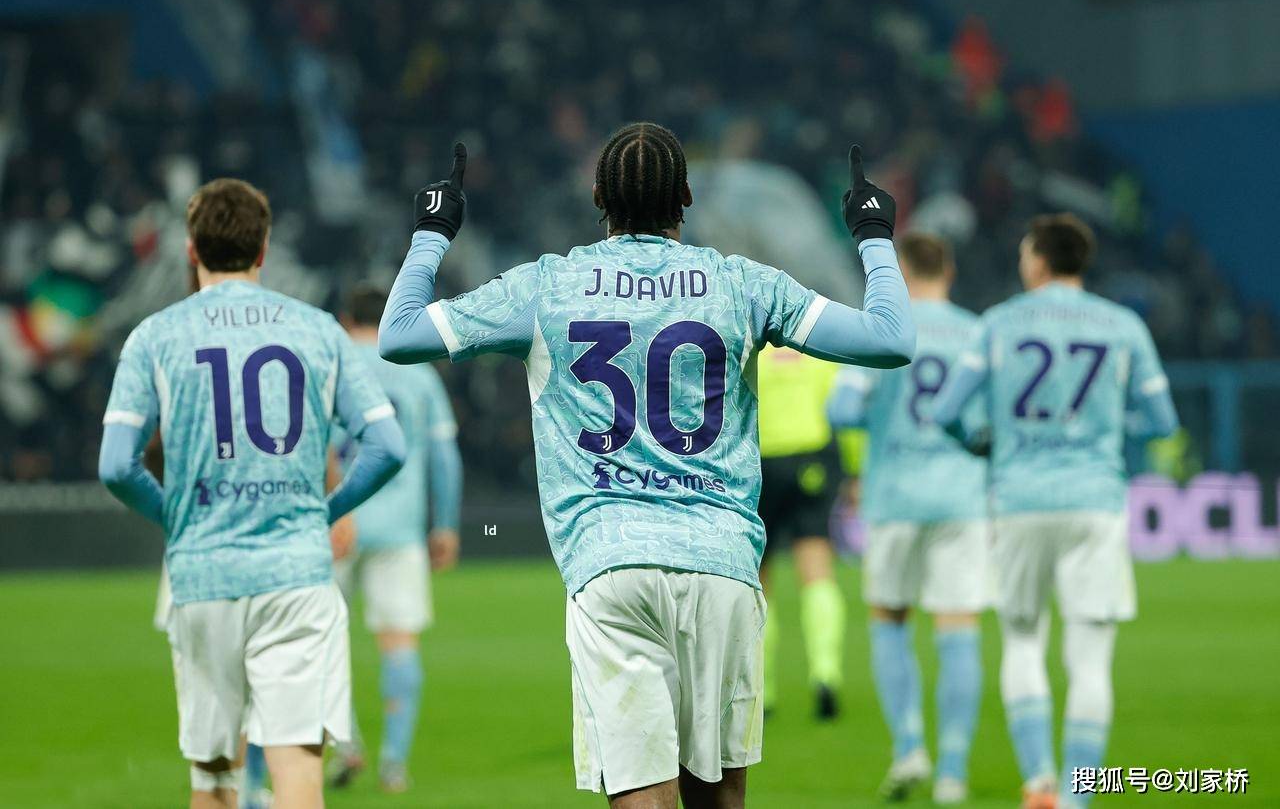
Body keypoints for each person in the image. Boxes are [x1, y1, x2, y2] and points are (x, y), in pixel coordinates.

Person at [378, 126, 915, 809]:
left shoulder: (546, 286)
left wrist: (433, 232)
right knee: (719, 799)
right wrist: (872, 235)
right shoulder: (742, 284)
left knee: (641, 796)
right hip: (721, 565)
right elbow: (890, 338)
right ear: (686, 197)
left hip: (611, 565)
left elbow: (399, 335)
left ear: (597, 197)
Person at [98, 178, 406, 809]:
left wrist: (176, 518)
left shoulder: (154, 336)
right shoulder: (318, 330)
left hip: (204, 575)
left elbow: (116, 466)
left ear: (191, 250)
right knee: (299, 773)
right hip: (296, 575)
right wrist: (323, 513)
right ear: (264, 247)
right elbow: (387, 447)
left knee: (215, 780)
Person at [929, 214, 1178, 809]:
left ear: (1038, 260)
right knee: (1090, 660)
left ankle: (1038, 782)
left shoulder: (998, 324)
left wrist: (982, 443)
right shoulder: (1123, 326)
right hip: (1094, 501)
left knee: (1022, 641)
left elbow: (946, 412)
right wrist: (1106, 432)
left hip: (1019, 500)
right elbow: (1162, 422)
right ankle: (1076, 798)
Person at [827, 232, 988, 804]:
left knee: (890, 619)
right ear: (949, 270)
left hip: (894, 496)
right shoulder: (976, 332)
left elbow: (841, 409)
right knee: (958, 626)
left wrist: (880, 415)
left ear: (902, 274)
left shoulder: (884, 325)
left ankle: (909, 747)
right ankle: (953, 773)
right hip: (961, 499)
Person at [326, 283, 463, 794]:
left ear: (345, 320)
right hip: (401, 527)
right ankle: (394, 764)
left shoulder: (332, 366)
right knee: (399, 643)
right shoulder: (419, 373)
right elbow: (444, 455)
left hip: (336, 522)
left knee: (320, 641)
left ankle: (346, 744)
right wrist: (445, 524)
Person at [755, 345, 845, 719]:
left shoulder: (752, 349)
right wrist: (853, 469)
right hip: (811, 455)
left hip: (761, 457)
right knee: (816, 564)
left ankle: (763, 688)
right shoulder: (819, 351)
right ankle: (826, 672)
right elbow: (842, 408)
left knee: (758, 577)